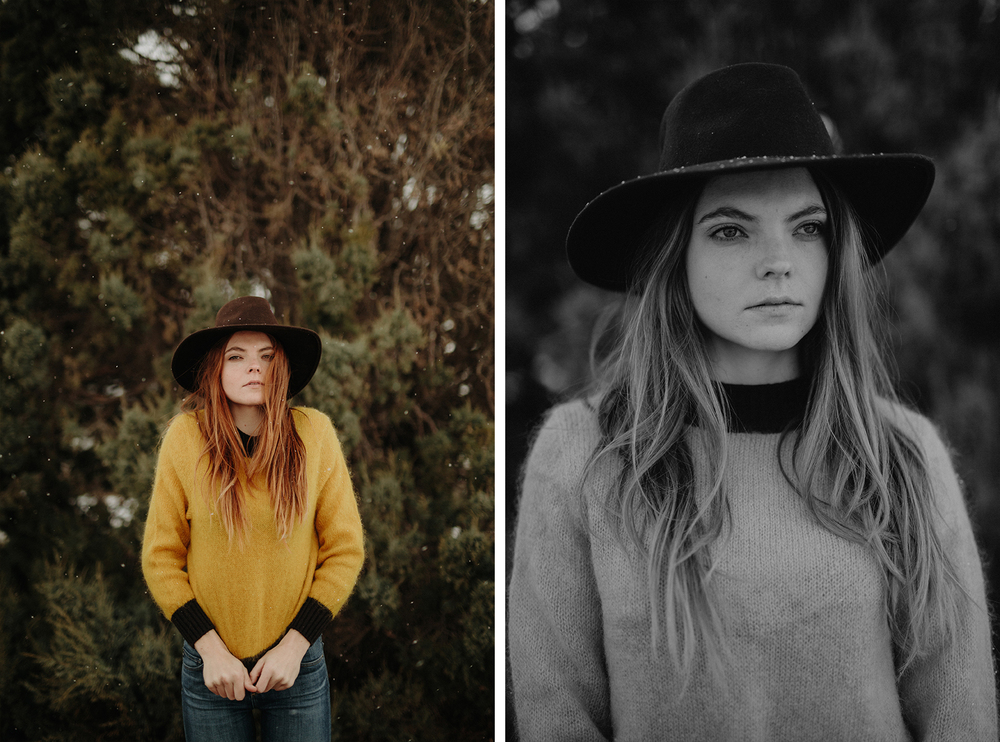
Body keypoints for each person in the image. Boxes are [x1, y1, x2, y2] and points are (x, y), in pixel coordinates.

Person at [508, 63, 997, 740]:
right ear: (673, 254)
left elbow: (961, 719)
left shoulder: (904, 454)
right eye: (732, 230)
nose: (779, 261)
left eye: (807, 227)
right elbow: (555, 715)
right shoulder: (583, 454)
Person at [142, 296, 365, 742]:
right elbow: (161, 558)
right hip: (211, 668)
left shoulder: (314, 434)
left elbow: (344, 550)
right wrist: (209, 650)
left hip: (296, 666)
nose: (254, 368)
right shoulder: (185, 440)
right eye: (237, 356)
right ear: (215, 370)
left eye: (266, 356)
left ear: (281, 367)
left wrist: (295, 646)